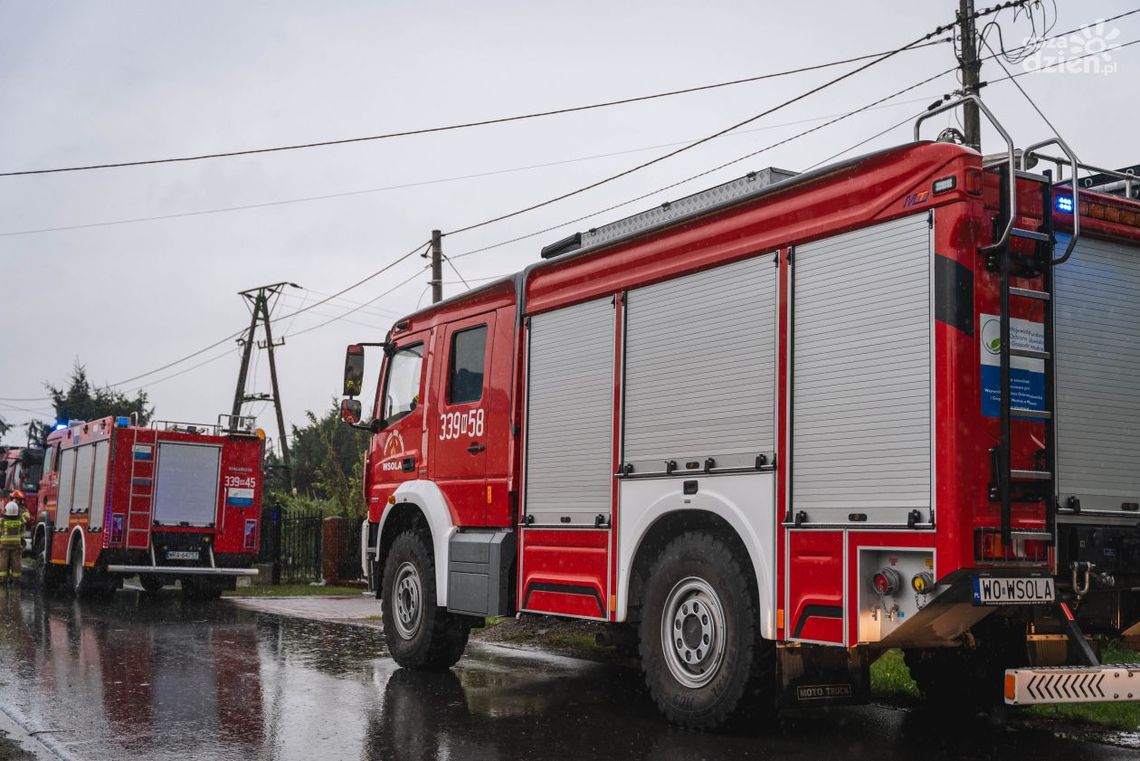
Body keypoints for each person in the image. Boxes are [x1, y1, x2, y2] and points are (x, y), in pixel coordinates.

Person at [0, 491, 27, 586]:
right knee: (16, 561)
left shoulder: (3, 520)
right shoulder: (20, 520)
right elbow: (25, 521)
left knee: (3, 560)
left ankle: (2, 579)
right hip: (16, 544)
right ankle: (15, 579)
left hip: (4, 544)